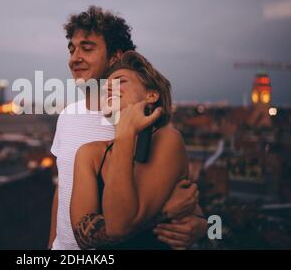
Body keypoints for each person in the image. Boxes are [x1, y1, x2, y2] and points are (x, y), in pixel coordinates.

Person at [49, 6, 208, 250]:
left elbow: (181, 198)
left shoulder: (146, 131)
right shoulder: (68, 117)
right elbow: (62, 190)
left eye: (87, 48)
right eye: (72, 49)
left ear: (115, 56)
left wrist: (199, 224)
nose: (75, 57)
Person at [70, 51, 205, 249]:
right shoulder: (89, 154)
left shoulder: (166, 139)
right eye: (105, 84)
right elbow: (83, 237)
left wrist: (125, 135)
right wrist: (162, 215)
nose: (107, 86)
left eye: (119, 81)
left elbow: (117, 226)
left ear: (151, 95)